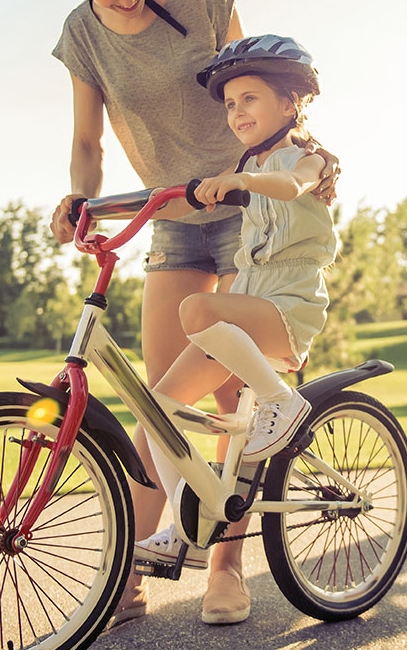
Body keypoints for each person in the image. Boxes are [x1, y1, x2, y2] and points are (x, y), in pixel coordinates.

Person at [32, 0, 340, 627]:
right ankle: (128, 579)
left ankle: (225, 571)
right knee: (157, 400)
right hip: (169, 213)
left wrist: (308, 154)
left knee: (232, 393)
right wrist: (80, 198)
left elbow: (263, 84)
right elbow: (85, 139)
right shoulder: (82, 35)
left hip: (246, 206)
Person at [131, 35, 338, 593]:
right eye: (229, 104)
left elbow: (289, 185)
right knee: (155, 413)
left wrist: (240, 181)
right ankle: (184, 524)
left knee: (195, 306)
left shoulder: (306, 160)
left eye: (249, 98)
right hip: (248, 305)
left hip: (287, 307)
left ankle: (279, 400)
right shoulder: (247, 162)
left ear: (290, 103)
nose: (237, 112)